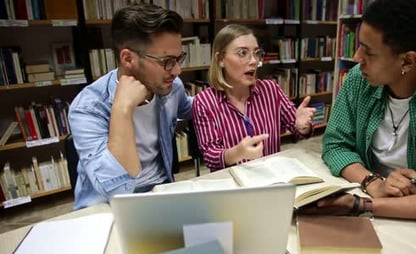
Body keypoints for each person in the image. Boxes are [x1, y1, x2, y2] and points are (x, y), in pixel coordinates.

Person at [312, 0, 416, 224]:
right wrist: (373, 183)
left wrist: (361, 205)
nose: (357, 57)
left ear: (408, 61)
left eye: (369, 52)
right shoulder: (357, 80)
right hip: (367, 196)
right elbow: (335, 144)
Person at [68, 4, 192, 209]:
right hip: (107, 207)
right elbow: (117, 191)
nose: (177, 70)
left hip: (161, 192)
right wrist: (122, 109)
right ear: (128, 58)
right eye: (167, 61)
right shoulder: (87, 108)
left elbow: (193, 108)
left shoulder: (170, 87)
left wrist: (230, 89)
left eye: (178, 59)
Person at [192, 24, 316, 171]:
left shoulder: (271, 89)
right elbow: (210, 157)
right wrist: (236, 153)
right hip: (232, 183)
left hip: (271, 178)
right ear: (220, 59)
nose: (254, 61)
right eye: (242, 53)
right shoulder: (204, 102)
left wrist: (302, 126)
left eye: (256, 53)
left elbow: (298, 130)